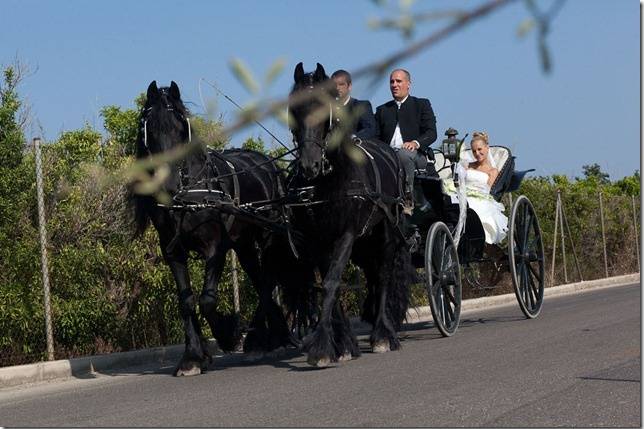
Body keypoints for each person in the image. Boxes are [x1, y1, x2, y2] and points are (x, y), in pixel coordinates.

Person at [374, 69, 437, 214]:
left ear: (408, 84)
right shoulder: (382, 110)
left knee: (403, 154)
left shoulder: (421, 105)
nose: (394, 85)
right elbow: (375, 137)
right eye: (392, 82)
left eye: (398, 81)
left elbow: (431, 133)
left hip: (416, 156)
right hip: (388, 155)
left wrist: (415, 143)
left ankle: (407, 197)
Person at [445, 131, 508, 244]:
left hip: (480, 197)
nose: (477, 153)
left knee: (473, 207)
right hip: (462, 193)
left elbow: (488, 192)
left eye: (480, 149)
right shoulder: (467, 166)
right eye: (474, 151)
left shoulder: (492, 171)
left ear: (487, 148)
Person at [331, 69, 376, 140]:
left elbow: (370, 129)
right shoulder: (326, 110)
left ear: (349, 86)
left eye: (341, 84)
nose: (337, 88)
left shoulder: (361, 106)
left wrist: (353, 137)